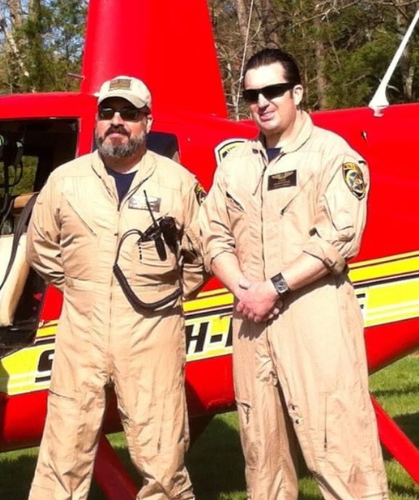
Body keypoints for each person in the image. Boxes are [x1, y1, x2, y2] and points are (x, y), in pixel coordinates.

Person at [199, 48, 388, 500]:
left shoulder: (330, 155)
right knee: (262, 452)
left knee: (337, 440)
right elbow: (212, 235)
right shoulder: (236, 164)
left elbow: (341, 236)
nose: (262, 102)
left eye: (273, 91)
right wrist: (243, 288)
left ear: (297, 93)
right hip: (250, 318)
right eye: (252, 95)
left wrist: (275, 287)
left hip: (313, 312)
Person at [26, 75, 207, 500]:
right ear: (97, 121)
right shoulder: (64, 181)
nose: (117, 121)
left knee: (162, 455)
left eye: (129, 113)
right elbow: (40, 248)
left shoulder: (178, 182)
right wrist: (83, 285)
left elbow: (203, 253)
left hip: (151, 330)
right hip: (81, 330)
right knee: (63, 454)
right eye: (107, 112)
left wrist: (166, 294)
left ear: (148, 121)